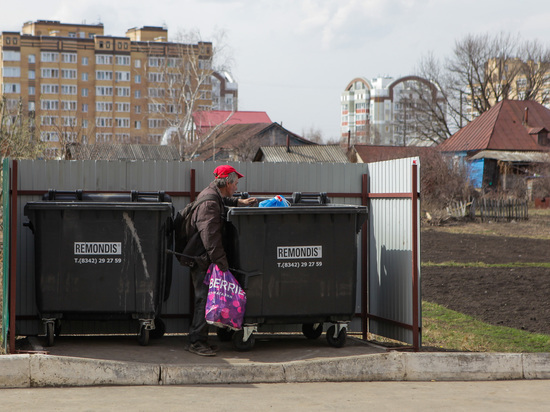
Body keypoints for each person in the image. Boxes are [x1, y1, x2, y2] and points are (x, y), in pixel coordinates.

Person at [186, 165, 257, 356]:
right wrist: (222, 263)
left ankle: (201, 339)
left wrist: (239, 202)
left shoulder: (213, 195)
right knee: (203, 299)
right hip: (202, 259)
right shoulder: (210, 203)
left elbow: (223, 201)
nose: (236, 186)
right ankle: (196, 341)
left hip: (203, 257)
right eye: (235, 183)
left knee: (206, 299)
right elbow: (210, 238)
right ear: (226, 182)